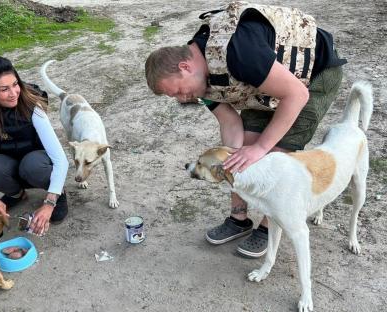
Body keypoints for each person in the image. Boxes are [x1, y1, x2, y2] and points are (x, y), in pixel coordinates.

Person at [145, 1, 346, 258]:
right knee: (245, 151)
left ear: (185, 67)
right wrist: (233, 161)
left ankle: (268, 225)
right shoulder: (200, 78)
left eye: (180, 92)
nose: (183, 99)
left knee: (275, 153)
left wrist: (261, 149)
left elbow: (296, 94)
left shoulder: (239, 53)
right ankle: (239, 219)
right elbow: (230, 122)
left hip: (312, 74)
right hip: (266, 81)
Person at [0, 55, 69, 236]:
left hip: (36, 163)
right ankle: (17, 194)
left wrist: (49, 203)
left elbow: (61, 160)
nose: (13, 93)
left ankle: (58, 194)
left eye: (15, 84)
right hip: (7, 165)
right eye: (4, 89)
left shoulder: (32, 106)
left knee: (33, 165)